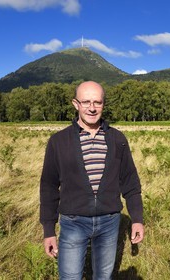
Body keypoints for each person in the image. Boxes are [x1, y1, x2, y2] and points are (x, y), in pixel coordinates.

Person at [40, 81, 144, 279]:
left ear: (104, 104)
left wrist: (137, 218)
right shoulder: (59, 141)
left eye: (97, 102)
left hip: (109, 222)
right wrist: (48, 229)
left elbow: (130, 181)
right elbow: (48, 187)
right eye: (86, 102)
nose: (92, 108)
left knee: (103, 277)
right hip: (73, 223)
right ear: (75, 104)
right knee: (70, 276)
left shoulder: (117, 139)